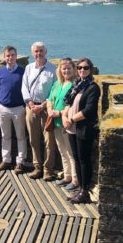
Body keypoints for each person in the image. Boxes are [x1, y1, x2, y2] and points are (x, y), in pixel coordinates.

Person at [62, 57, 101, 204]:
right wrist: (65, 116)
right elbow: (68, 103)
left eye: (85, 68)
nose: (82, 70)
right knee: (77, 159)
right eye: (79, 68)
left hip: (84, 129)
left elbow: (89, 110)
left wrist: (71, 120)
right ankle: (80, 189)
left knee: (84, 160)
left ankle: (85, 191)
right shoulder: (77, 85)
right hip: (72, 129)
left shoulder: (93, 88)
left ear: (90, 70)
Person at [21, 41, 57, 180]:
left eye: (41, 50)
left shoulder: (53, 69)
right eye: (36, 51)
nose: (38, 53)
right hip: (31, 107)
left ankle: (48, 169)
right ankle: (37, 167)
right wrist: (30, 103)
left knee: (49, 140)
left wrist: (42, 106)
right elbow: (24, 86)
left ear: (45, 52)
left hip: (47, 108)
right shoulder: (29, 68)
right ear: (32, 53)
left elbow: (55, 91)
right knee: (33, 139)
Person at [45, 58, 79, 192]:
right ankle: (67, 176)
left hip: (67, 123)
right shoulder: (57, 84)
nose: (66, 71)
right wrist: (49, 110)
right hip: (56, 122)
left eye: (69, 68)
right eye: (63, 68)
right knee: (62, 151)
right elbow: (49, 99)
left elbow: (71, 105)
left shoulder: (75, 85)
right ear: (60, 70)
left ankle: (75, 179)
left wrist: (58, 113)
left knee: (71, 152)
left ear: (74, 69)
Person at [0, 46, 27, 173]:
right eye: (7, 55)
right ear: (4, 57)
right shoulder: (0, 72)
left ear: (16, 56)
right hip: (3, 108)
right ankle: (6, 160)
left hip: (19, 108)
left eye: (12, 55)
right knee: (5, 136)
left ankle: (20, 162)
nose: (10, 58)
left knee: (20, 136)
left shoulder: (23, 71)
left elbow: (27, 89)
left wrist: (24, 105)